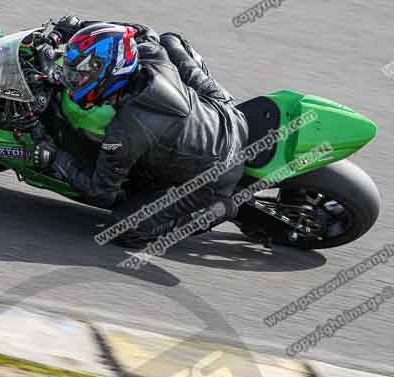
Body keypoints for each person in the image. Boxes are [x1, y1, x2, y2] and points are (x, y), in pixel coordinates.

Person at [32, 15, 249, 248]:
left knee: (125, 229)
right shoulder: (148, 53)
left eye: (80, 76)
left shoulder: (123, 135)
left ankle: (216, 209)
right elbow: (137, 31)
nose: (73, 79)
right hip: (222, 110)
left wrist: (54, 157)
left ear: (108, 75)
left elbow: (100, 191)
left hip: (217, 172)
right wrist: (77, 28)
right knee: (169, 40)